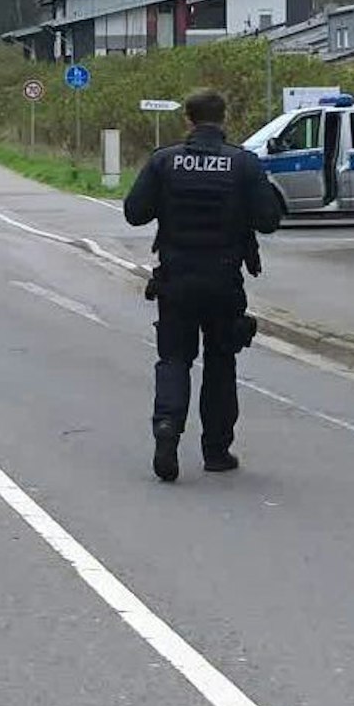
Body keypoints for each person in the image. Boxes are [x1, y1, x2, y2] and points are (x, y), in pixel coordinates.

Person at [123, 88, 280, 482]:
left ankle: (167, 428)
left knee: (174, 358)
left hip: (176, 278)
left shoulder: (164, 161)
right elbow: (269, 219)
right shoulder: (243, 164)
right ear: (223, 118)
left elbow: (134, 213)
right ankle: (216, 450)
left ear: (188, 120)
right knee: (221, 361)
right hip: (224, 279)